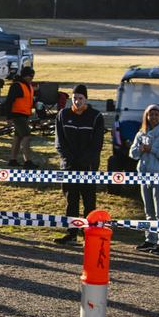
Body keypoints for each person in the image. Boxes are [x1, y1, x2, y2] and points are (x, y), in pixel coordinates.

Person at [52, 85, 106, 245]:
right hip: (68, 167)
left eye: (80, 98)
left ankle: (89, 234)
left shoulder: (96, 116)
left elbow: (97, 144)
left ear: (86, 99)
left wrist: (83, 160)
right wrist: (69, 159)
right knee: (71, 201)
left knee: (89, 201)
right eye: (75, 98)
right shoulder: (63, 115)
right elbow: (59, 142)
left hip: (88, 167)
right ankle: (71, 233)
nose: (77, 101)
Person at [128, 103, 159, 255]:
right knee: (148, 210)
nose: (154, 117)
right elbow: (132, 154)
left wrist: (153, 150)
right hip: (144, 176)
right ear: (146, 116)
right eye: (151, 114)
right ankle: (150, 239)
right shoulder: (141, 133)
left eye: (157, 114)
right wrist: (140, 149)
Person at [5, 66, 37, 168]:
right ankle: (27, 161)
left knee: (18, 137)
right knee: (26, 136)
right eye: (29, 76)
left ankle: (12, 160)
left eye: (33, 76)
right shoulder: (17, 86)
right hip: (17, 115)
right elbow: (9, 101)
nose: (31, 78)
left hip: (24, 115)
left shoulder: (28, 85)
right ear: (24, 75)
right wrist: (9, 117)